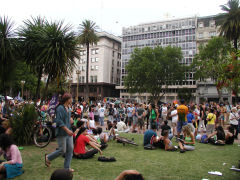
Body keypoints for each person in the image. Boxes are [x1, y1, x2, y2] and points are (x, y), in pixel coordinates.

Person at [45, 93, 74, 172]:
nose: (72, 100)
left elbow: (67, 118)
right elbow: (59, 121)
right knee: (62, 150)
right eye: (71, 98)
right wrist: (67, 130)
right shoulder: (60, 108)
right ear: (67, 99)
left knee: (70, 149)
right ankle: (48, 157)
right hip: (62, 132)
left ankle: (67, 168)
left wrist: (70, 119)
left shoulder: (69, 107)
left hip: (69, 132)